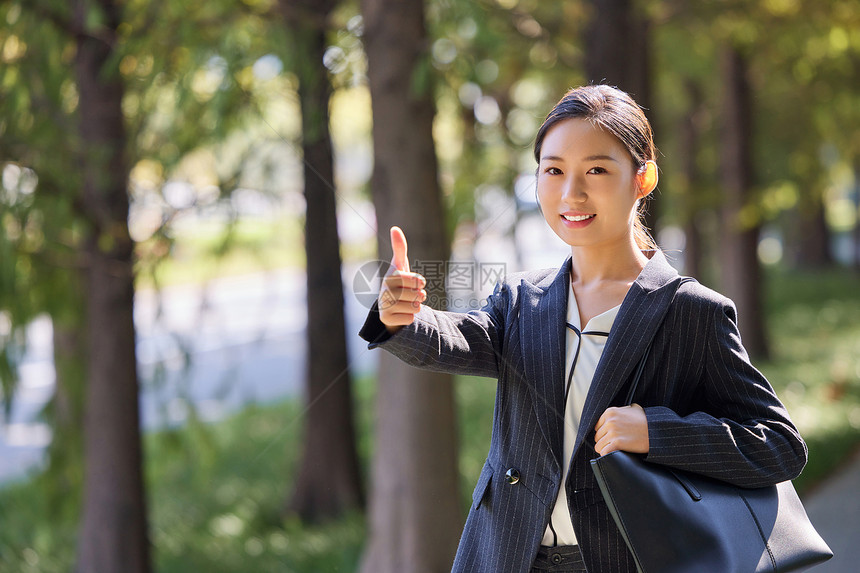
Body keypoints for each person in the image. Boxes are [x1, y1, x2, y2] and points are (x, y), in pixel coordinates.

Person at [358, 84, 807, 573]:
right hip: (507, 555)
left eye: (596, 169)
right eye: (553, 171)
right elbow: (459, 339)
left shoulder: (690, 311)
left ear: (643, 178)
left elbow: (779, 446)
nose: (572, 193)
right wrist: (401, 317)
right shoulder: (522, 299)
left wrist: (657, 432)